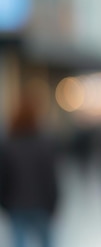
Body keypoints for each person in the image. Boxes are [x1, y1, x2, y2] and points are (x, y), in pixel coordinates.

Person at [0, 94, 59, 247]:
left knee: (19, 242)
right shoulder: (44, 143)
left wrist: (5, 202)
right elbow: (50, 177)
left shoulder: (9, 145)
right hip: (41, 203)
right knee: (46, 241)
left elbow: (4, 177)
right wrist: (54, 202)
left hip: (16, 203)